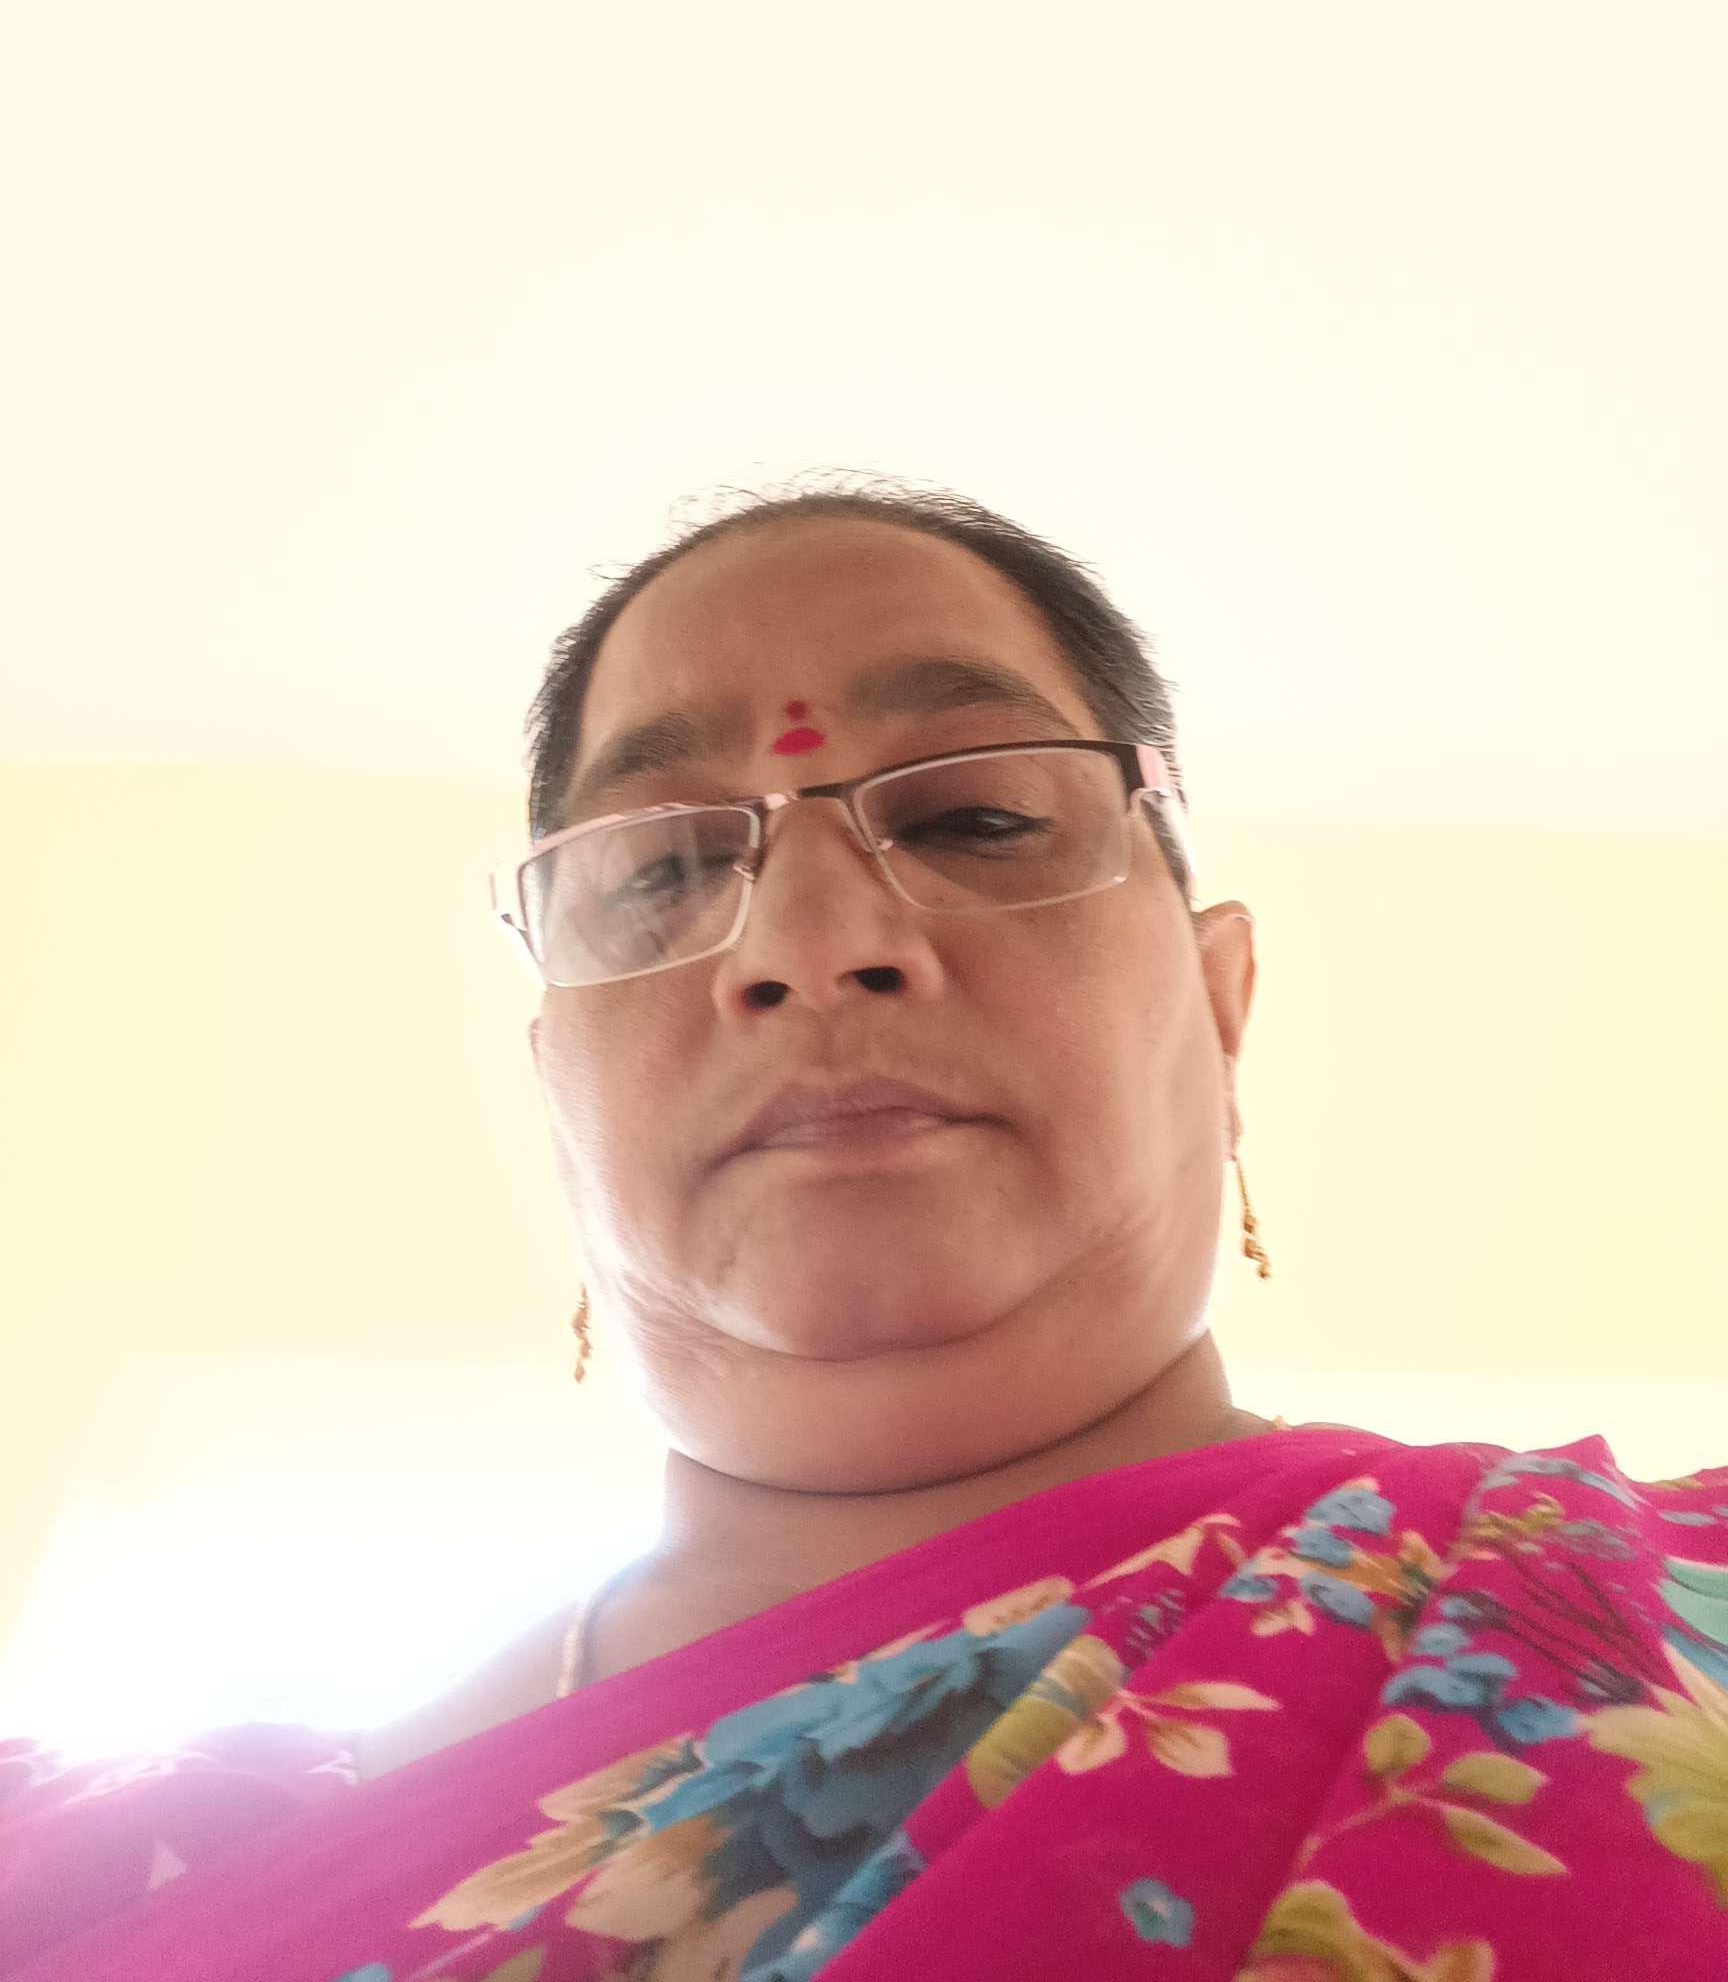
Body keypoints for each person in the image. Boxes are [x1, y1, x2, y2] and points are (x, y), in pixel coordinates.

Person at [3, 481, 1725, 1982]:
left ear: (1222, 1011)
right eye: (665, 869)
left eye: (976, 818)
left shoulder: (1641, 1616)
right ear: (559, 1093)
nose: (811, 943)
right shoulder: (84, 1877)